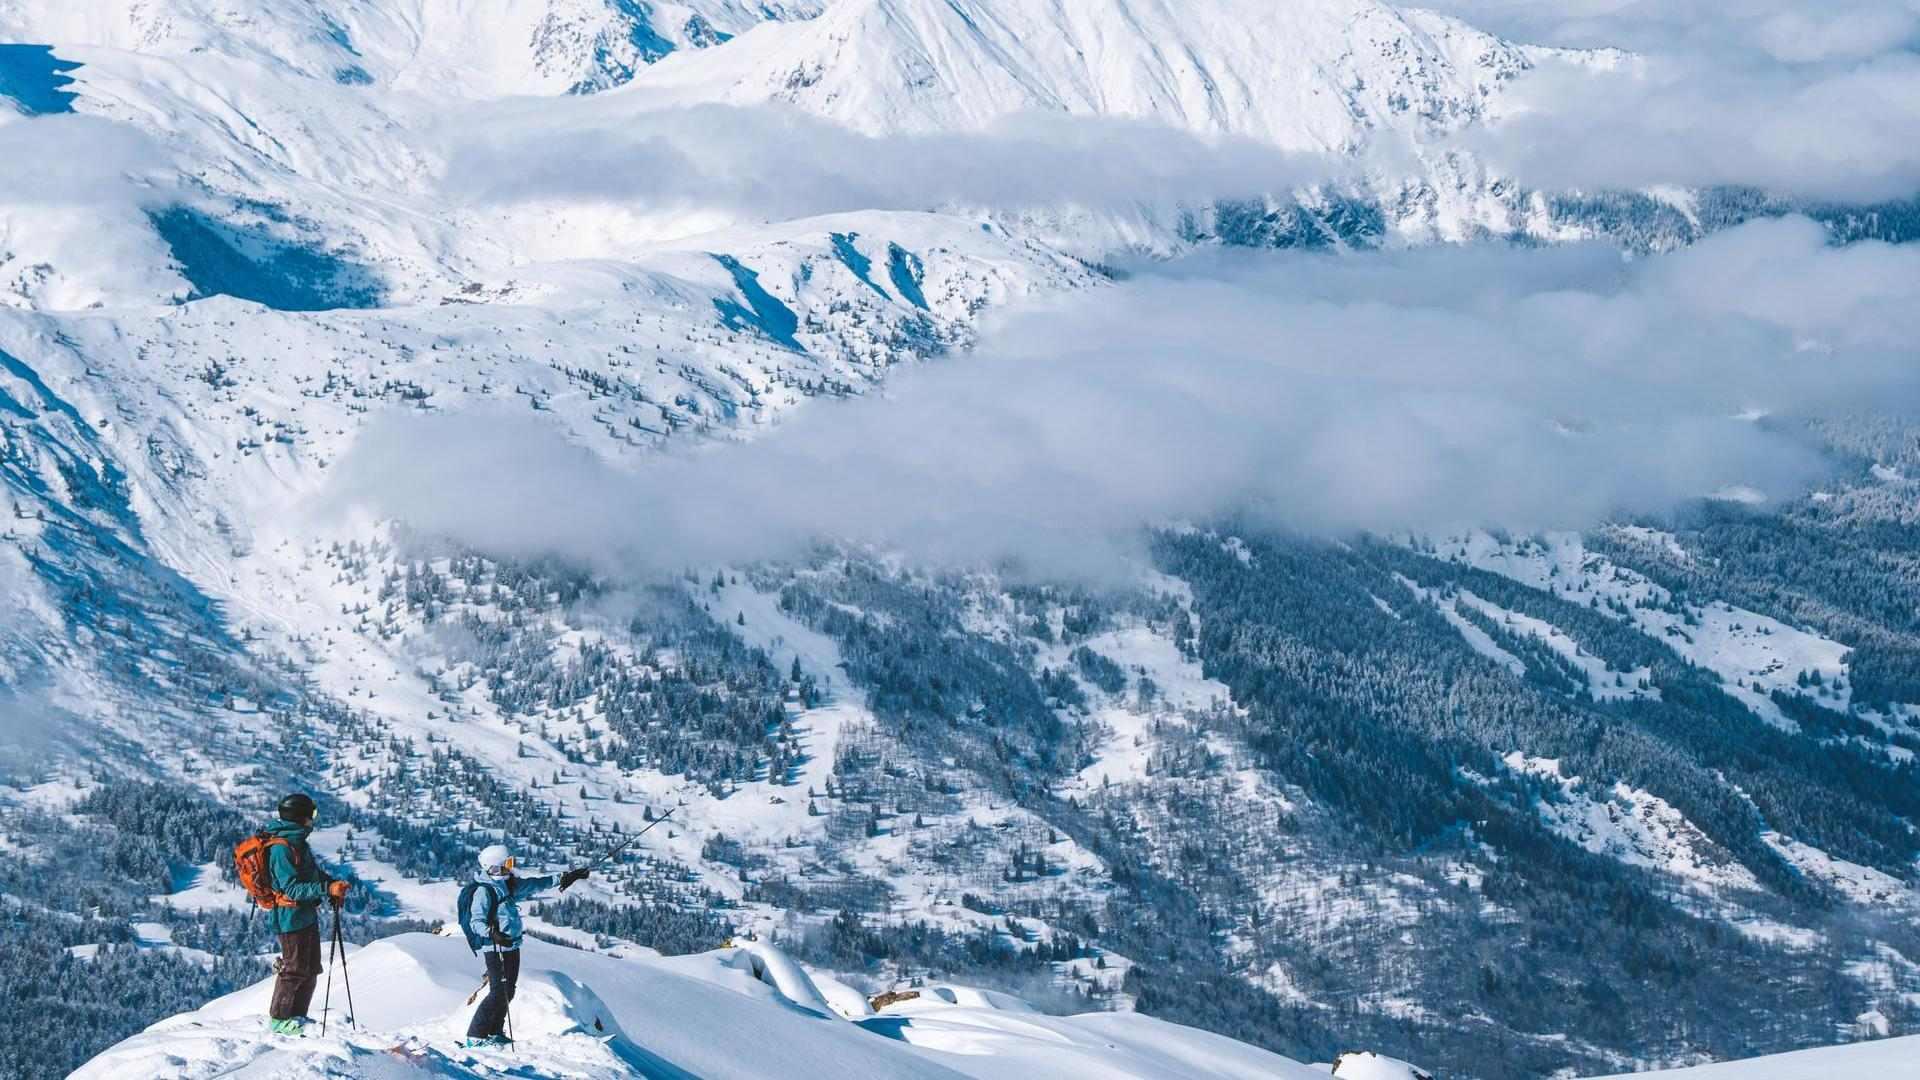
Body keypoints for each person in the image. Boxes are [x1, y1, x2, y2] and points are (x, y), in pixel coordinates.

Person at [460, 845, 589, 1048]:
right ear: (495, 866)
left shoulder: (506, 885)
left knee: (507, 991)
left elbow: (535, 884)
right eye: (507, 864)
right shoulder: (484, 891)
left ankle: (494, 1031)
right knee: (497, 992)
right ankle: (476, 1036)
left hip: (511, 945)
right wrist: (492, 934)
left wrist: (565, 877)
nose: (511, 868)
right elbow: (476, 922)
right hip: (496, 948)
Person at [263, 793, 349, 1036]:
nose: (313, 820)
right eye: (311, 815)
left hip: (305, 914)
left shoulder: (298, 842)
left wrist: (330, 884)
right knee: (294, 968)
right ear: (300, 817)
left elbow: (310, 874)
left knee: (310, 968)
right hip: (290, 918)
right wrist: (326, 888)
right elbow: (290, 888)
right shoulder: (282, 849)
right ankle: (279, 1020)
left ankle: (298, 1016)